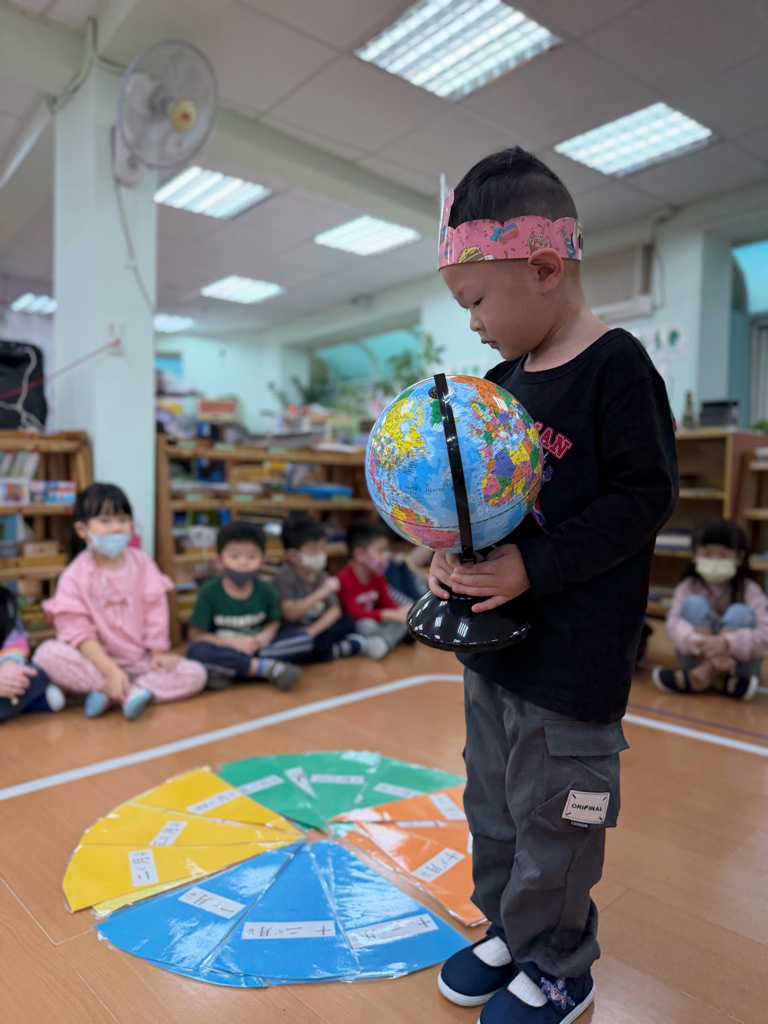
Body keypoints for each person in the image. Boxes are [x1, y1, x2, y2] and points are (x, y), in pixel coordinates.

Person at [428, 148, 678, 1023]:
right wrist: (448, 550)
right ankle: (510, 929)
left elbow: (645, 498)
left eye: (477, 302)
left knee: (558, 820)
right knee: (493, 805)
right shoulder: (499, 386)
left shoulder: (618, 369)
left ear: (541, 269)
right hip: (496, 656)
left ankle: (560, 963)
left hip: (574, 668)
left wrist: (534, 566)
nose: (473, 326)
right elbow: (477, 498)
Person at [34, 483, 207, 720]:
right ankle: (123, 691)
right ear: (82, 529)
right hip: (95, 664)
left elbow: (156, 612)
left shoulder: (142, 563)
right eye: (105, 521)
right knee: (47, 654)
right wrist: (110, 671)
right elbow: (78, 632)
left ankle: (114, 693)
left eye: (123, 519)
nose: (116, 528)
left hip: (139, 663)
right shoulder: (74, 575)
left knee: (195, 673)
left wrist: (158, 653)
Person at [654, 519, 768, 701]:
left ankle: (702, 677)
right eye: (707, 553)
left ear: (739, 558)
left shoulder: (750, 590)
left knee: (741, 611)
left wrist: (726, 643)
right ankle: (724, 681)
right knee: (694, 604)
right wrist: (703, 643)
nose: (715, 560)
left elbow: (765, 634)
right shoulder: (688, 587)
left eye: (723, 555)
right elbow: (673, 626)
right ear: (694, 555)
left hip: (739, 665)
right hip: (696, 657)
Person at [186, 520, 302, 690]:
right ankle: (263, 668)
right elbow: (196, 635)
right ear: (219, 561)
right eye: (234, 556)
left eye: (251, 557)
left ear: (262, 561)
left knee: (301, 639)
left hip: (257, 647)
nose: (243, 563)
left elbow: (274, 621)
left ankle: (232, 670)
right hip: (226, 647)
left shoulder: (266, 589)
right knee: (197, 652)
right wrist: (232, 642)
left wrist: (265, 636)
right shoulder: (209, 591)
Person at [273, 516, 389, 661]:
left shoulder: (322, 575)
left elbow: (335, 610)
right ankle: (341, 648)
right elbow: (290, 614)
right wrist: (321, 593)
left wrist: (311, 632)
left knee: (347, 622)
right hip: (296, 628)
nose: (320, 555)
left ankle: (326, 650)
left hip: (317, 629)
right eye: (313, 550)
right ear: (293, 555)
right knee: (287, 636)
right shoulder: (284, 577)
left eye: (322, 549)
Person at [336, 521, 409, 654]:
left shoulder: (377, 575)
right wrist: (389, 614)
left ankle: (383, 643)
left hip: (377, 621)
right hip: (360, 624)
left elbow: (388, 603)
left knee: (404, 618)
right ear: (359, 555)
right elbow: (353, 613)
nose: (385, 556)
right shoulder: (344, 578)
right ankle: (384, 642)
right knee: (367, 625)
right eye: (380, 551)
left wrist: (400, 612)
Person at [0, 586, 64, 722]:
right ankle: (28, 704)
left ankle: (16, 702)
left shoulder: (5, 601)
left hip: (3, 674)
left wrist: (9, 665)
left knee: (37, 673)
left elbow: (15, 641)